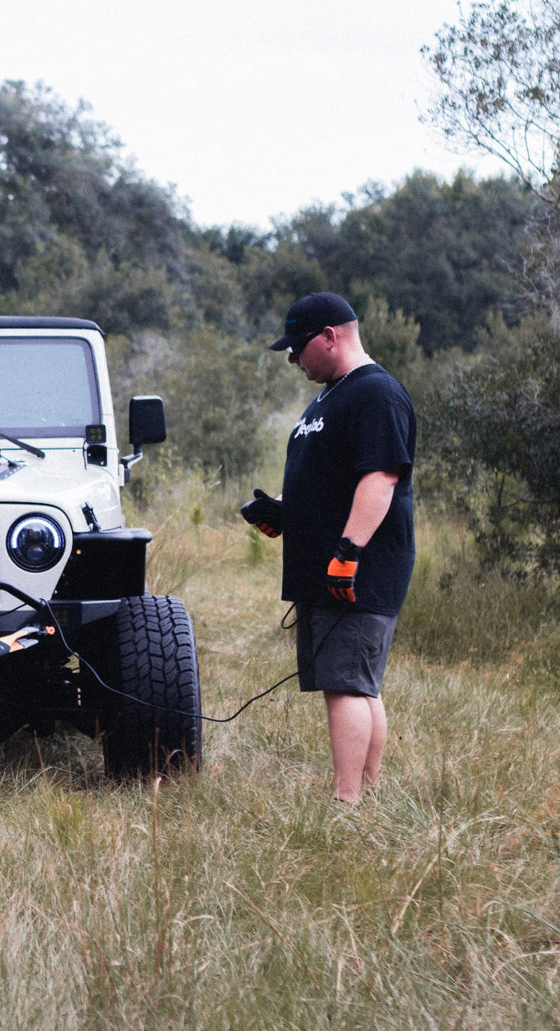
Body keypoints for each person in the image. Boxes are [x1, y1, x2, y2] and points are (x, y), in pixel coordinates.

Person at [240, 293, 416, 803]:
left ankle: (347, 802)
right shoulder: (333, 395)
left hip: (357, 567)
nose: (294, 360)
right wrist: (284, 509)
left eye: (298, 348)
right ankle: (369, 791)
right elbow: (331, 479)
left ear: (329, 337)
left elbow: (381, 478)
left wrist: (348, 551)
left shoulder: (376, 393)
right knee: (356, 683)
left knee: (347, 685)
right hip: (327, 564)